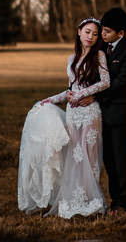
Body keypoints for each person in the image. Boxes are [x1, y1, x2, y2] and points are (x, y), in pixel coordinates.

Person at [38, 17, 110, 218]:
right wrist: (52, 99)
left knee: (89, 156)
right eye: (87, 32)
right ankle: (72, 201)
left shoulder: (99, 56)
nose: (91, 37)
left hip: (90, 113)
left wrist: (81, 95)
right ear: (79, 32)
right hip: (73, 114)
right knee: (74, 158)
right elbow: (71, 89)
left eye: (95, 34)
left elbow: (105, 82)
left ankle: (91, 202)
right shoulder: (71, 59)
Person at [79, 6, 126, 213]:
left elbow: (121, 82)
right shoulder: (99, 48)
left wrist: (95, 95)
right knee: (108, 161)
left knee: (121, 160)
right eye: (101, 30)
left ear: (120, 33)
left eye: (106, 32)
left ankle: (123, 203)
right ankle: (112, 200)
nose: (102, 34)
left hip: (120, 114)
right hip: (98, 114)